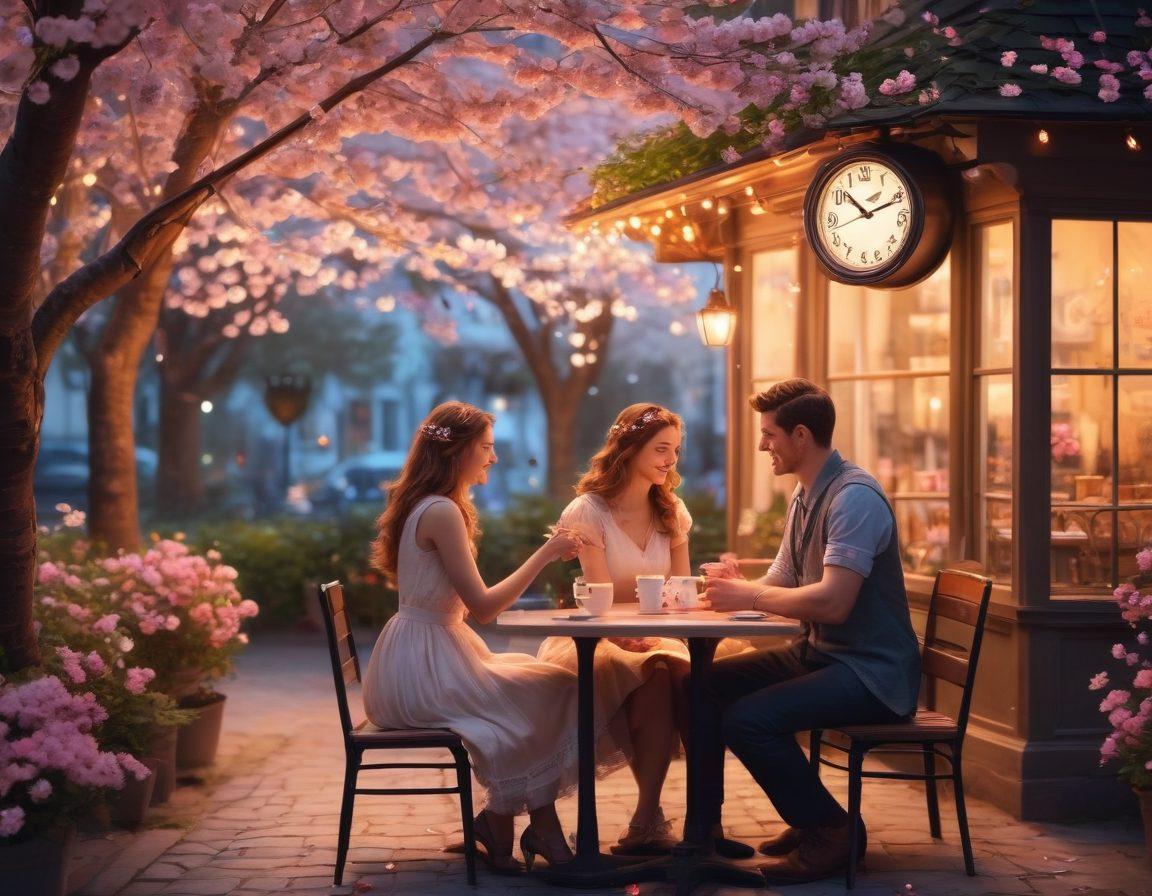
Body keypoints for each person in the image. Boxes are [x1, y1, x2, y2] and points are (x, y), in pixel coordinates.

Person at [700, 378, 921, 883]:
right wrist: (736, 587)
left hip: (873, 673)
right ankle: (703, 829)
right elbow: (782, 578)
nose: (762, 445)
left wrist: (749, 597)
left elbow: (834, 602)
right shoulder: (807, 492)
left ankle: (831, 831)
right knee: (703, 686)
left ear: (801, 435)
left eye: (769, 435)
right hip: (825, 655)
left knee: (748, 720)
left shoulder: (854, 498)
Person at [363, 401, 589, 874]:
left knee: (548, 686)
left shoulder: (435, 506)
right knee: (541, 698)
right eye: (486, 447)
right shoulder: (442, 511)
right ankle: (518, 827)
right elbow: (484, 609)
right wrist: (546, 554)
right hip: (420, 668)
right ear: (458, 452)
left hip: (425, 652)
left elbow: (467, 603)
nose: (493, 457)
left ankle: (501, 825)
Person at [538, 403, 715, 855]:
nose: (670, 460)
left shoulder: (672, 510)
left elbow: (679, 590)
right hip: (597, 637)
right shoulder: (587, 511)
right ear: (630, 448)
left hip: (657, 634)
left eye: (675, 450)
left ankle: (690, 820)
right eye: (661, 449)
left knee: (687, 675)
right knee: (654, 674)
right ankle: (650, 819)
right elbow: (597, 597)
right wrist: (624, 633)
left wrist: (665, 626)